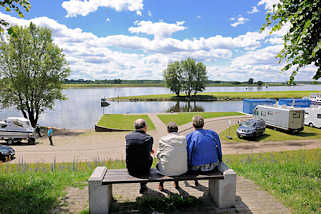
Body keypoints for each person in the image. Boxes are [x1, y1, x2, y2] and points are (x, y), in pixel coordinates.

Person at [186, 115, 222, 186]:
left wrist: (188, 164)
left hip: (197, 168)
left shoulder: (190, 136)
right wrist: (220, 160)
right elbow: (219, 150)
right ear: (203, 124)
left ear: (193, 125)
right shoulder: (213, 134)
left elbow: (188, 154)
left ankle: (195, 180)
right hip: (212, 165)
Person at [156, 122, 187, 191]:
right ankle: (176, 183)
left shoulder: (162, 139)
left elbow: (158, 154)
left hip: (166, 170)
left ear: (167, 130)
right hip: (182, 170)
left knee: (163, 162)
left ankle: (161, 184)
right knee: (176, 158)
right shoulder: (184, 138)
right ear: (177, 130)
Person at [125, 119, 154, 194]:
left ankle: (143, 186)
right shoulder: (149, 138)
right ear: (145, 127)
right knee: (149, 157)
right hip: (144, 170)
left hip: (131, 169)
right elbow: (150, 151)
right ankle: (143, 185)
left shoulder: (127, 137)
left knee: (138, 157)